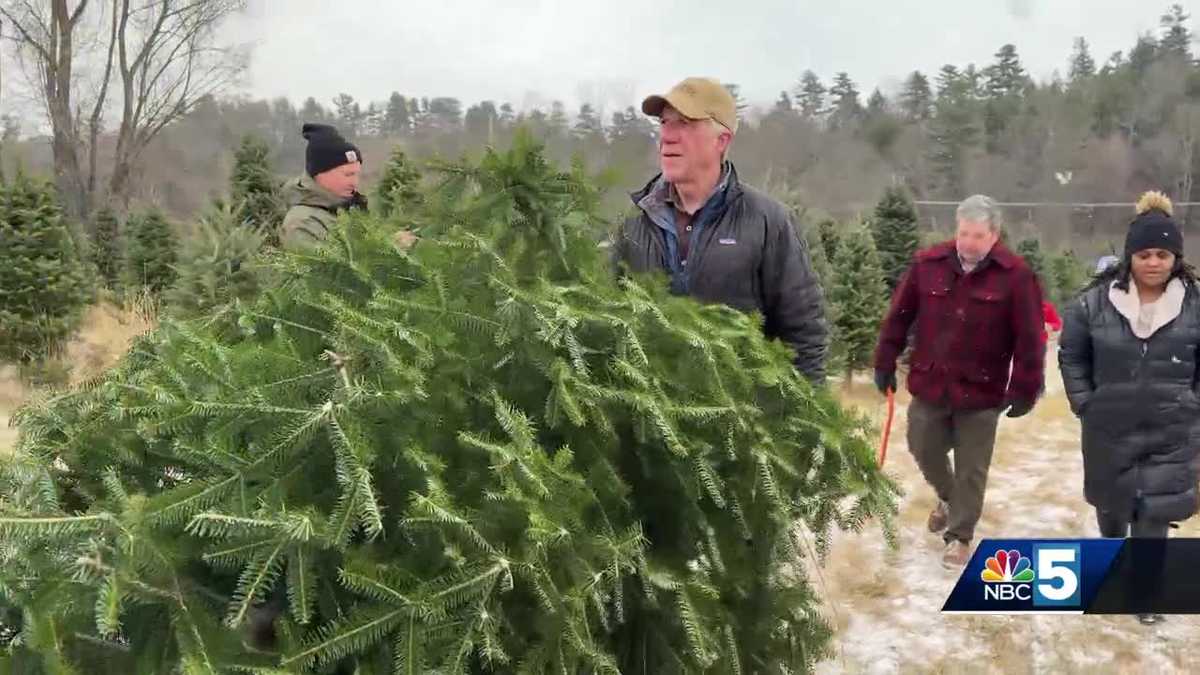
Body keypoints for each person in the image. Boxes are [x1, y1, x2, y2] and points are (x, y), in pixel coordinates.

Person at [611, 77, 828, 382]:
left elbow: (804, 335)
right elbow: (606, 321)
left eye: (684, 123)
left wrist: (805, 418)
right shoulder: (634, 223)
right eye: (664, 123)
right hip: (651, 420)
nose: (667, 137)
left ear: (721, 140)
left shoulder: (767, 222)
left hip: (740, 419)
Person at [873, 195, 1045, 569]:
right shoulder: (928, 265)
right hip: (932, 382)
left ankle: (960, 536)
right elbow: (899, 316)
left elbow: (1031, 337)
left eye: (978, 235)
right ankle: (950, 499)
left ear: (994, 235)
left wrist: (1026, 387)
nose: (968, 242)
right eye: (963, 233)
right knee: (922, 446)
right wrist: (884, 359)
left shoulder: (1016, 276)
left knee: (972, 466)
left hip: (983, 390)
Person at [1058, 191, 1200, 625]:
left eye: (1163, 254)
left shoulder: (1195, 305)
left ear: (1175, 257)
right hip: (1109, 428)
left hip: (1171, 429)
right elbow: (1072, 355)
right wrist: (1086, 403)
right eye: (1144, 254)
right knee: (1112, 508)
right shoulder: (1095, 303)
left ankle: (1146, 594)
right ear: (1129, 256)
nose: (1153, 262)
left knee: (1154, 512)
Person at [280, 123, 369, 251]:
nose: (354, 182)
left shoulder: (347, 208)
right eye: (348, 175)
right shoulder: (302, 223)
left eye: (356, 174)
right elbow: (326, 268)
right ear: (320, 174)